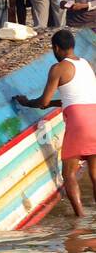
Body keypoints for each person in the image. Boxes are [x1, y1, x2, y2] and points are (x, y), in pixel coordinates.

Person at [15, 29, 96, 216]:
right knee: (94, 174)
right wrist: (50, 103)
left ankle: (80, 219)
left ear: (56, 48)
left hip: (79, 121)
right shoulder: (86, 64)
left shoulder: (58, 68)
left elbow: (43, 102)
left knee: (68, 173)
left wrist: (27, 102)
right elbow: (71, 98)